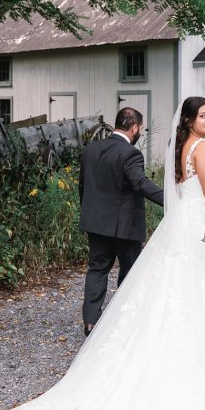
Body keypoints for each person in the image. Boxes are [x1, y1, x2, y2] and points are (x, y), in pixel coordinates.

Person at [0, 96, 205, 410]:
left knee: (131, 279)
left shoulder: (161, 147)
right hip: (171, 226)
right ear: (188, 121)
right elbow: (200, 195)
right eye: (204, 115)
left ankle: (95, 321)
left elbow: (91, 185)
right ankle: (176, 352)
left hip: (118, 223)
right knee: (171, 285)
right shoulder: (194, 150)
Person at [79, 106, 164, 338]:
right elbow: (140, 183)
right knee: (130, 272)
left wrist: (89, 213)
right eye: (140, 129)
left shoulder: (92, 149)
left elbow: (83, 187)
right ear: (134, 127)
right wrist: (170, 200)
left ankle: (91, 323)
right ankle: (123, 320)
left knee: (97, 269)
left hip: (96, 223)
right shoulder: (131, 153)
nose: (140, 133)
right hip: (125, 226)